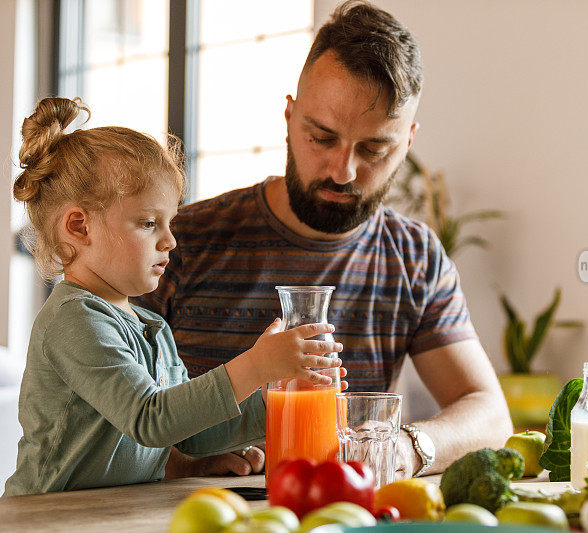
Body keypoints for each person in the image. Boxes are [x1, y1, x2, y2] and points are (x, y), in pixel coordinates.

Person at [135, 0, 513, 479]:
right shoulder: (179, 243)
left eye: (374, 148)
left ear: (408, 142)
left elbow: (488, 413)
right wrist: (181, 464)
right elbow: (103, 408)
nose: (343, 170)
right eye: (322, 138)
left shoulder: (414, 257)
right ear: (290, 119)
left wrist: (404, 447)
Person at [3, 97, 344, 496]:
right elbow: (151, 419)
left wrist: (275, 396)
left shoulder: (152, 327)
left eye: (170, 223)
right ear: (80, 227)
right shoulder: (73, 320)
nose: (170, 240)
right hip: (44, 518)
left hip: (109, 515)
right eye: (149, 223)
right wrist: (255, 365)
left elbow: (188, 436)